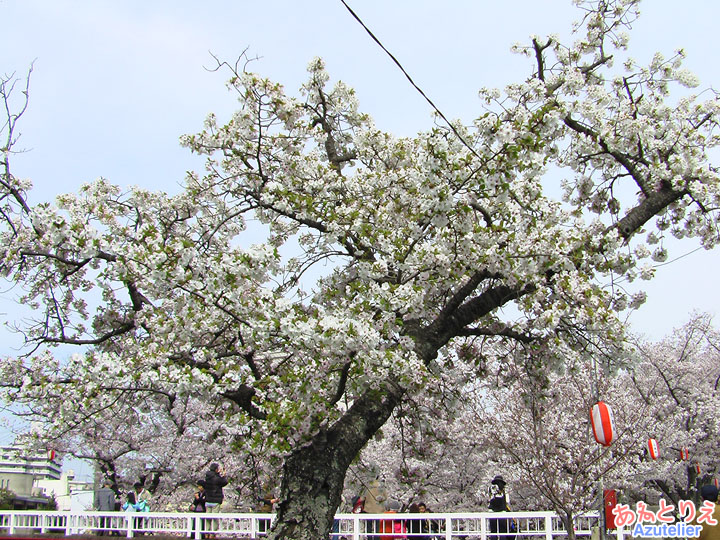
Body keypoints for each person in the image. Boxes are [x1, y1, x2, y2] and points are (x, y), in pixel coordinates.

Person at [488, 475, 512, 540]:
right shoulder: (504, 490)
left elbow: (489, 499)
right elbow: (507, 501)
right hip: (502, 512)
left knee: (493, 532)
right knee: (503, 532)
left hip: (492, 512)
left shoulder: (491, 489)